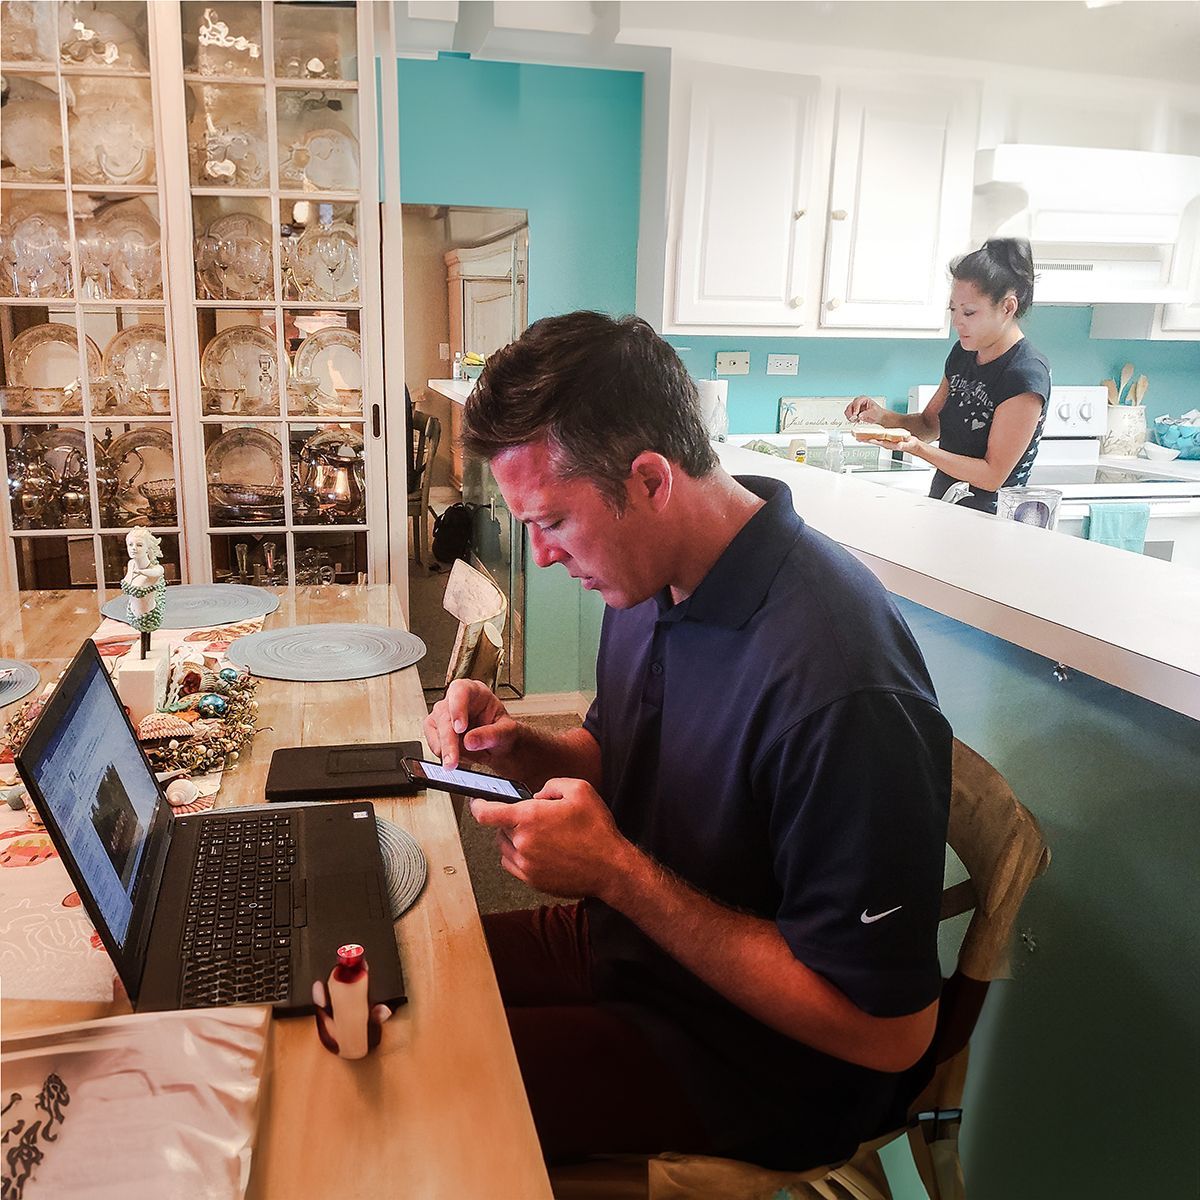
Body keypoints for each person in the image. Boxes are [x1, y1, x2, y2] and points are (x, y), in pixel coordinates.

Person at [426, 311, 952, 1171]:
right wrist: (522, 750)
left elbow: (889, 1034)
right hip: (641, 953)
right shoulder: (650, 582)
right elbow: (625, 751)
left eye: (552, 520)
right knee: (400, 975)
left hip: (758, 1062)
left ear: (649, 480)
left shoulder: (840, 684)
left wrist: (619, 875)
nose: (543, 556)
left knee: (425, 1088)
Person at [845, 238, 1051, 514]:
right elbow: (929, 425)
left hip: (992, 525)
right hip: (946, 510)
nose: (957, 322)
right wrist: (881, 417)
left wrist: (917, 449)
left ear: (1007, 307)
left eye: (969, 312)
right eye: (953, 310)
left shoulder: (1024, 375)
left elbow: (992, 476)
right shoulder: (964, 354)